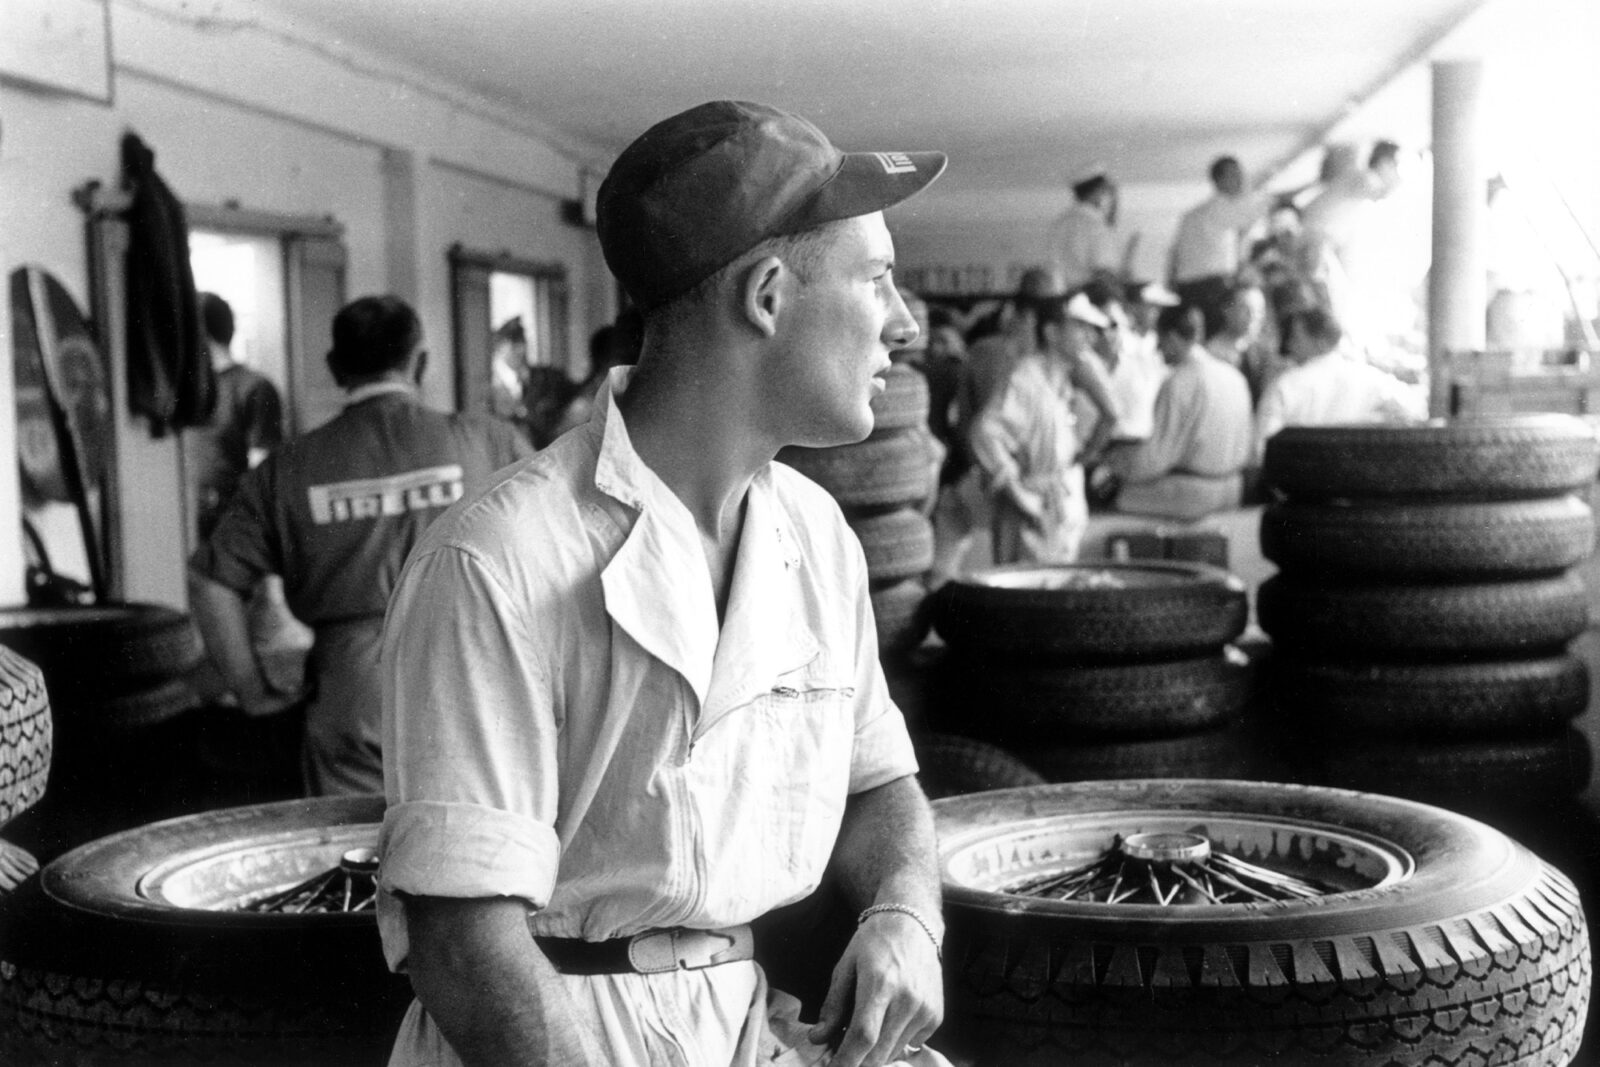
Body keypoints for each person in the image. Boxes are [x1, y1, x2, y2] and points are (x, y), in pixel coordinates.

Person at [375, 100, 950, 1067]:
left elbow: (879, 783)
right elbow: (464, 943)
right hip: (553, 1034)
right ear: (767, 296)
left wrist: (904, 913)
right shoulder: (496, 562)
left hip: (734, 1019)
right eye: (879, 281)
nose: (904, 325)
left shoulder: (818, 539)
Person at [188, 295, 533, 797]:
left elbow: (209, 580)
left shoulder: (287, 469)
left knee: (360, 854)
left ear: (334, 367)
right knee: (483, 846)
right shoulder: (491, 442)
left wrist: (253, 692)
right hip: (477, 674)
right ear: (421, 362)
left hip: (354, 693)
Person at [971, 292, 1119, 563]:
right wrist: (1016, 491)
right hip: (1033, 514)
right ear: (1051, 332)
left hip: (1057, 505)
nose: (1089, 336)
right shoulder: (1026, 379)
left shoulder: (1061, 379)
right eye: (1079, 327)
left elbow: (1111, 413)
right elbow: (984, 433)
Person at [1103, 304, 1253, 520]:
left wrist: (1115, 464)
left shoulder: (1180, 381)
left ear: (1172, 338)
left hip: (1192, 495)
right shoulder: (1234, 376)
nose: (1159, 350)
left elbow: (1155, 460)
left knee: (1107, 491)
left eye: (1160, 341)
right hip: (1232, 488)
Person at [1253, 305, 1424, 462]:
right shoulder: (1370, 378)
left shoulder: (1286, 385)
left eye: (1296, 338)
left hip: (1300, 485)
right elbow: (1415, 410)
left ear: (1321, 341)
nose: (1290, 346)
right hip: (1356, 480)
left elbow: (1262, 449)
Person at [189, 292, 285, 541]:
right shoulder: (186, 391)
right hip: (186, 519)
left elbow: (263, 471)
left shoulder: (253, 387)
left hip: (230, 527)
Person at [1168, 156, 1277, 335]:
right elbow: (1263, 207)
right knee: (1220, 334)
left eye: (1241, 174)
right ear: (1219, 181)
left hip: (1191, 288)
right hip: (1210, 288)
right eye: (1234, 175)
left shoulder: (1196, 215)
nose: (1241, 180)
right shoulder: (1218, 209)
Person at [1048, 169, 1134, 293]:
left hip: (1064, 295)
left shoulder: (1061, 223)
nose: (1109, 196)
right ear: (1097, 191)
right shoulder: (1094, 225)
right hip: (1094, 296)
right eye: (1106, 190)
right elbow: (1103, 272)